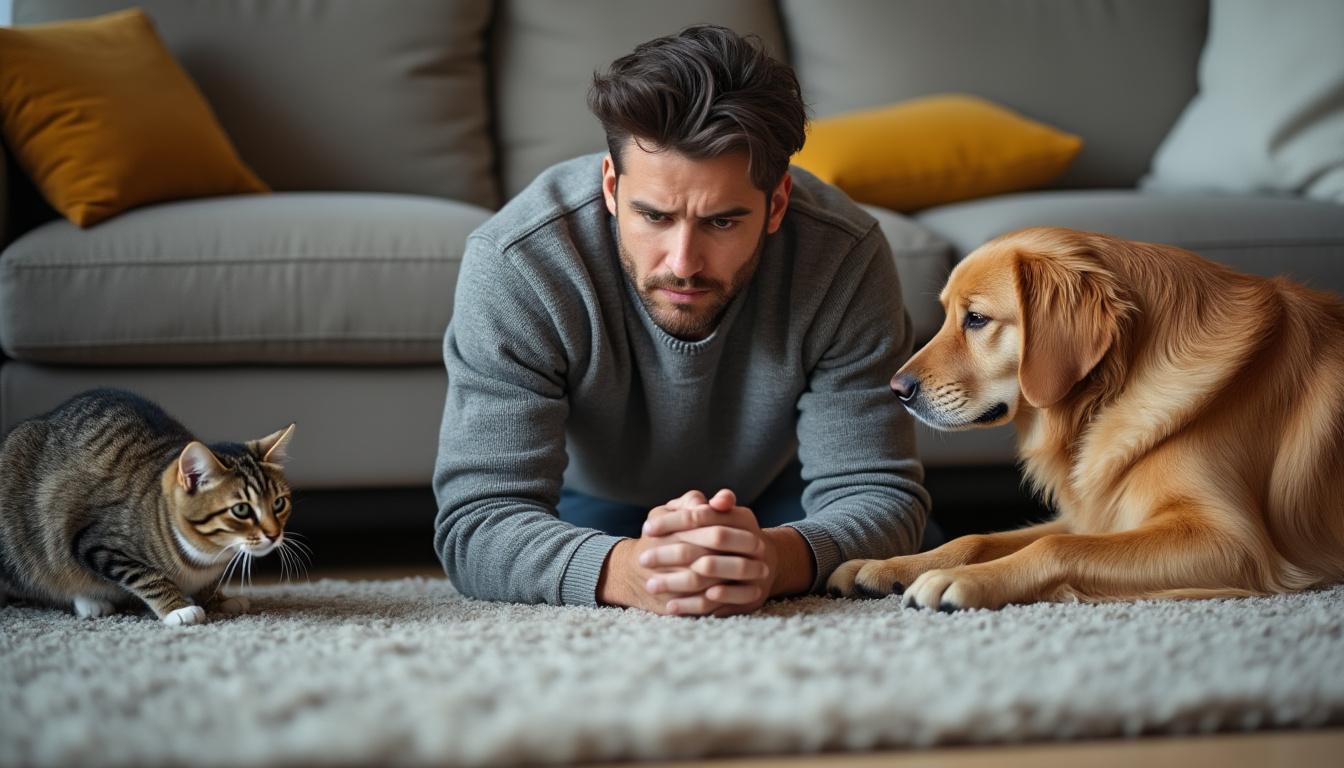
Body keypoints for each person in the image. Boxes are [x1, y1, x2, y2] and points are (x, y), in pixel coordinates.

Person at [433, 24, 933, 616]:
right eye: (654, 216)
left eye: (722, 222)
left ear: (775, 204)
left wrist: (772, 559)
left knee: (918, 559)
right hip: (587, 512)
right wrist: (630, 571)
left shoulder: (842, 254)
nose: (683, 263)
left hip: (785, 504)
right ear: (613, 187)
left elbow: (880, 499)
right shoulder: (520, 260)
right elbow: (478, 524)